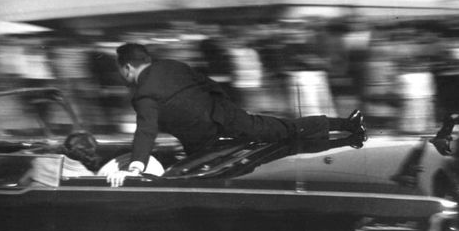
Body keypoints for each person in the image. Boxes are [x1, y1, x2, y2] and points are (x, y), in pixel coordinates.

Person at [107, 43, 366, 187]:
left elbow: (146, 130)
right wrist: (224, 110)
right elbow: (209, 84)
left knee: (210, 180)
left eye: (122, 70)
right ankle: (346, 125)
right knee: (282, 129)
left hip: (200, 142)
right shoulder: (173, 65)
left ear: (127, 67)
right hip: (226, 116)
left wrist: (136, 165)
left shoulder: (142, 93)